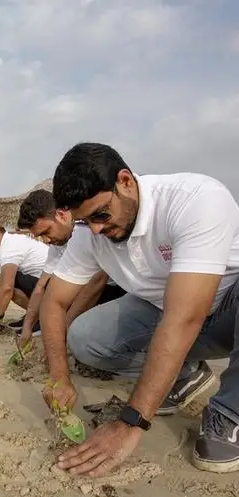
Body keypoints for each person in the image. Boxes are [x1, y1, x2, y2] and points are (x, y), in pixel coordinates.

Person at [40, 141, 239, 476]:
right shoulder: (91, 233)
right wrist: (59, 376)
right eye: (84, 221)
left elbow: (184, 318)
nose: (96, 230)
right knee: (86, 338)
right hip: (167, 313)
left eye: (101, 214)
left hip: (225, 313)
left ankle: (230, 409)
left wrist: (130, 422)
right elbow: (54, 301)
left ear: (126, 182)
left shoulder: (195, 199)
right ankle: (187, 375)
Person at [15, 189, 126, 350]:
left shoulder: (87, 231)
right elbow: (40, 286)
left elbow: (97, 282)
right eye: (40, 236)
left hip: (116, 291)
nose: (46, 240)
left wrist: (61, 333)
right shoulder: (57, 242)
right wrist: (27, 327)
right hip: (90, 292)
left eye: (47, 232)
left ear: (62, 215)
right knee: (50, 286)